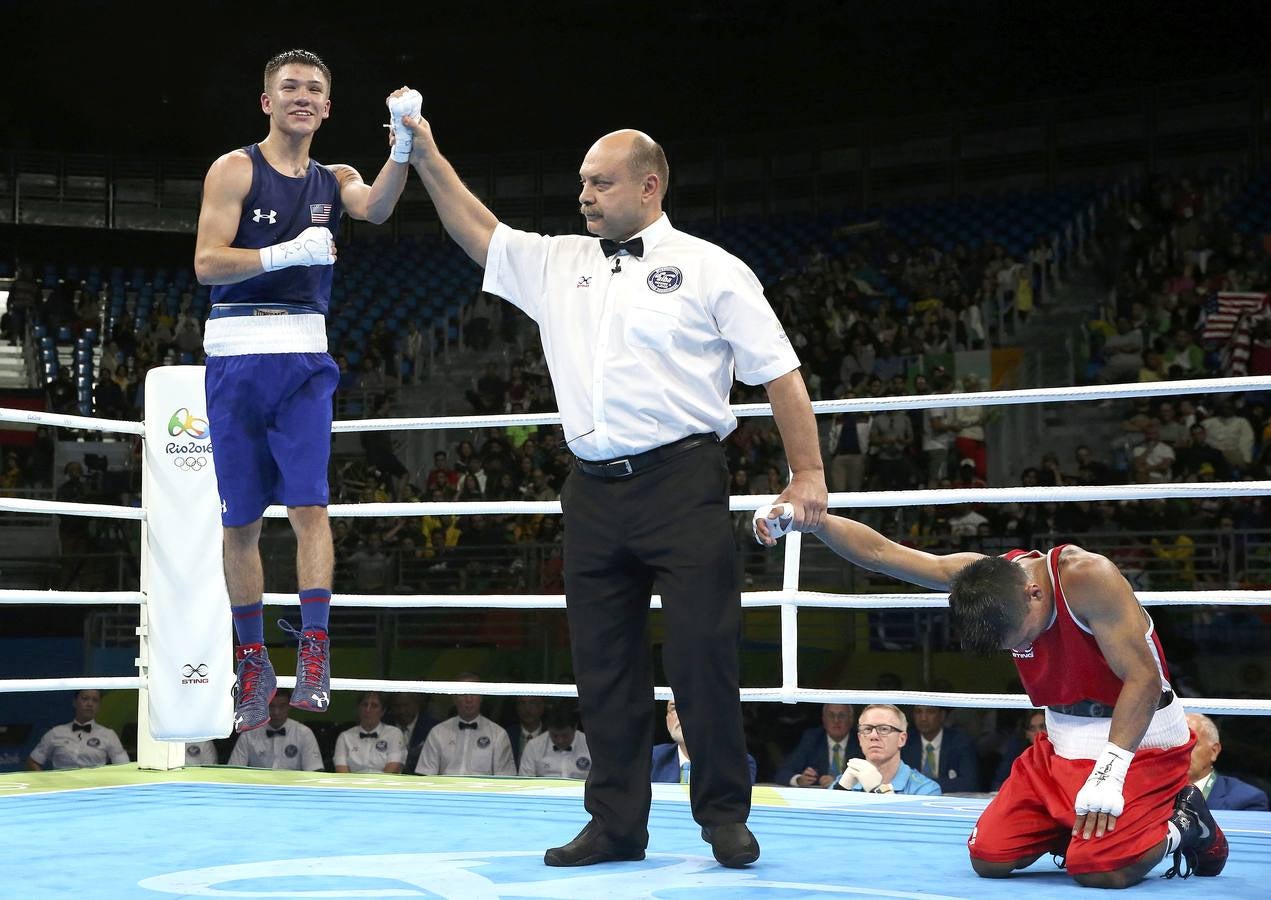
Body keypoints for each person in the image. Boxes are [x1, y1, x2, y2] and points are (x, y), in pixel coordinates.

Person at [403, 115, 826, 871]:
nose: (584, 195)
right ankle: (616, 824)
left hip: (683, 482)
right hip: (592, 492)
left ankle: (723, 815)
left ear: (648, 185)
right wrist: (425, 150)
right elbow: (476, 227)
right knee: (603, 669)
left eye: (599, 182)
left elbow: (779, 371)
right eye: (581, 183)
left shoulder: (710, 267)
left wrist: (809, 475)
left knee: (703, 658)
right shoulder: (558, 261)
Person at [756, 509, 1229, 887]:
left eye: (1015, 636)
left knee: (1100, 870)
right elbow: (882, 553)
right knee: (990, 856)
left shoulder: (1088, 578)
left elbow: (1144, 681)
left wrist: (1109, 769)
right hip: (1060, 746)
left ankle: (1184, 822)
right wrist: (811, 520)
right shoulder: (982, 577)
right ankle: (1079, 827)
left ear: (1033, 593)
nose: (1011, 649)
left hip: (1138, 743)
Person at [192, 49, 413, 734]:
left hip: (303, 359)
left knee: (310, 506)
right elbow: (206, 263)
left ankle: (314, 649)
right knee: (241, 523)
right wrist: (286, 254)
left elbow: (374, 207)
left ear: (326, 107)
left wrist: (402, 143)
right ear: (267, 101)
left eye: (314, 88)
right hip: (235, 352)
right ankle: (253, 660)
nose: (302, 96)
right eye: (289, 86)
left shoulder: (334, 177)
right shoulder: (234, 169)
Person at [415, 674, 515, 776]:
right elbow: (427, 774)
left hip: (482, 791)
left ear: (481, 697)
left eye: (474, 694)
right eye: (463, 694)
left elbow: (504, 778)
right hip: (447, 790)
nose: (469, 700)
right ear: (454, 698)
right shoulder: (437, 732)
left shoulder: (498, 734)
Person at [829, 704, 940, 795]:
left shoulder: (925, 790)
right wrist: (840, 791)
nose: (873, 736)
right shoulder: (844, 782)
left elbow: (906, 823)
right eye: (867, 729)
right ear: (860, 739)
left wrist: (878, 789)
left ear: (901, 739)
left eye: (884, 729)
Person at [652, 698, 757, 785]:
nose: (682, 714)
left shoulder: (736, 762)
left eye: (692, 706)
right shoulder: (652, 758)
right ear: (667, 720)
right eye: (674, 708)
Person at [25, 690, 129, 770]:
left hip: (95, 791)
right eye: (85, 698)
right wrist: (48, 785)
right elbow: (33, 762)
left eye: (95, 700)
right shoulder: (55, 733)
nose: (90, 704)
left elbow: (123, 767)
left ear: (99, 706)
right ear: (75, 702)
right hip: (61, 791)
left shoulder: (109, 735)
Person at [1185, 712, 1269, 811]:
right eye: (1173, 745)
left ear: (1214, 751)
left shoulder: (1247, 800)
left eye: (1191, 743)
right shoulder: (1162, 792)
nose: (1181, 751)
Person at [226, 690, 324, 771]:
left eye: (282, 706)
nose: (276, 712)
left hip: (293, 791)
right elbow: (233, 770)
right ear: (264, 705)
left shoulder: (304, 733)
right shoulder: (248, 734)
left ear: (290, 705)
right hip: (257, 790)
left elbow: (314, 771)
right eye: (271, 706)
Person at [773, 704, 862, 787]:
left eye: (842, 715)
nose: (836, 720)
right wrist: (800, 779)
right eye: (831, 715)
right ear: (823, 719)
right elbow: (783, 772)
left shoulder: (861, 741)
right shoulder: (811, 739)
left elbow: (871, 777)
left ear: (851, 719)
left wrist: (840, 781)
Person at [902, 705, 980, 793]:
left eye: (930, 712)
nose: (923, 718)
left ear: (942, 716)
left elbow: (969, 784)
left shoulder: (960, 742)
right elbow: (900, 780)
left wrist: (922, 785)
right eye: (918, 712)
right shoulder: (905, 742)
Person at [334, 692, 405, 774]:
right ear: (359, 708)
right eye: (364, 705)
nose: (368, 710)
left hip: (385, 785)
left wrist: (375, 786)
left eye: (374, 706)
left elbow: (394, 768)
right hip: (354, 785)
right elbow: (341, 770)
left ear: (382, 711)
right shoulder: (345, 737)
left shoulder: (394, 733)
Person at [519, 704, 592, 780]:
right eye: (555, 735)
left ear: (575, 728)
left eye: (565, 735)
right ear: (548, 729)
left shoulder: (591, 744)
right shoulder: (533, 747)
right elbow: (526, 783)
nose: (560, 741)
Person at [991, 709, 1046, 791]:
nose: (1038, 733)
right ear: (1027, 734)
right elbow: (999, 785)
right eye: (1032, 728)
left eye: (1042, 727)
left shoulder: (1061, 753)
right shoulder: (1016, 754)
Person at [387, 692, 436, 775]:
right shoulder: (384, 725)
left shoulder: (432, 728)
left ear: (417, 704)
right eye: (397, 706)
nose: (402, 711)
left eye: (406, 705)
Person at [504, 695, 547, 769]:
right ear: (516, 707)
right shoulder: (505, 735)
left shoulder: (553, 735)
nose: (527, 709)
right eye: (522, 703)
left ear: (542, 706)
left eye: (532, 702)